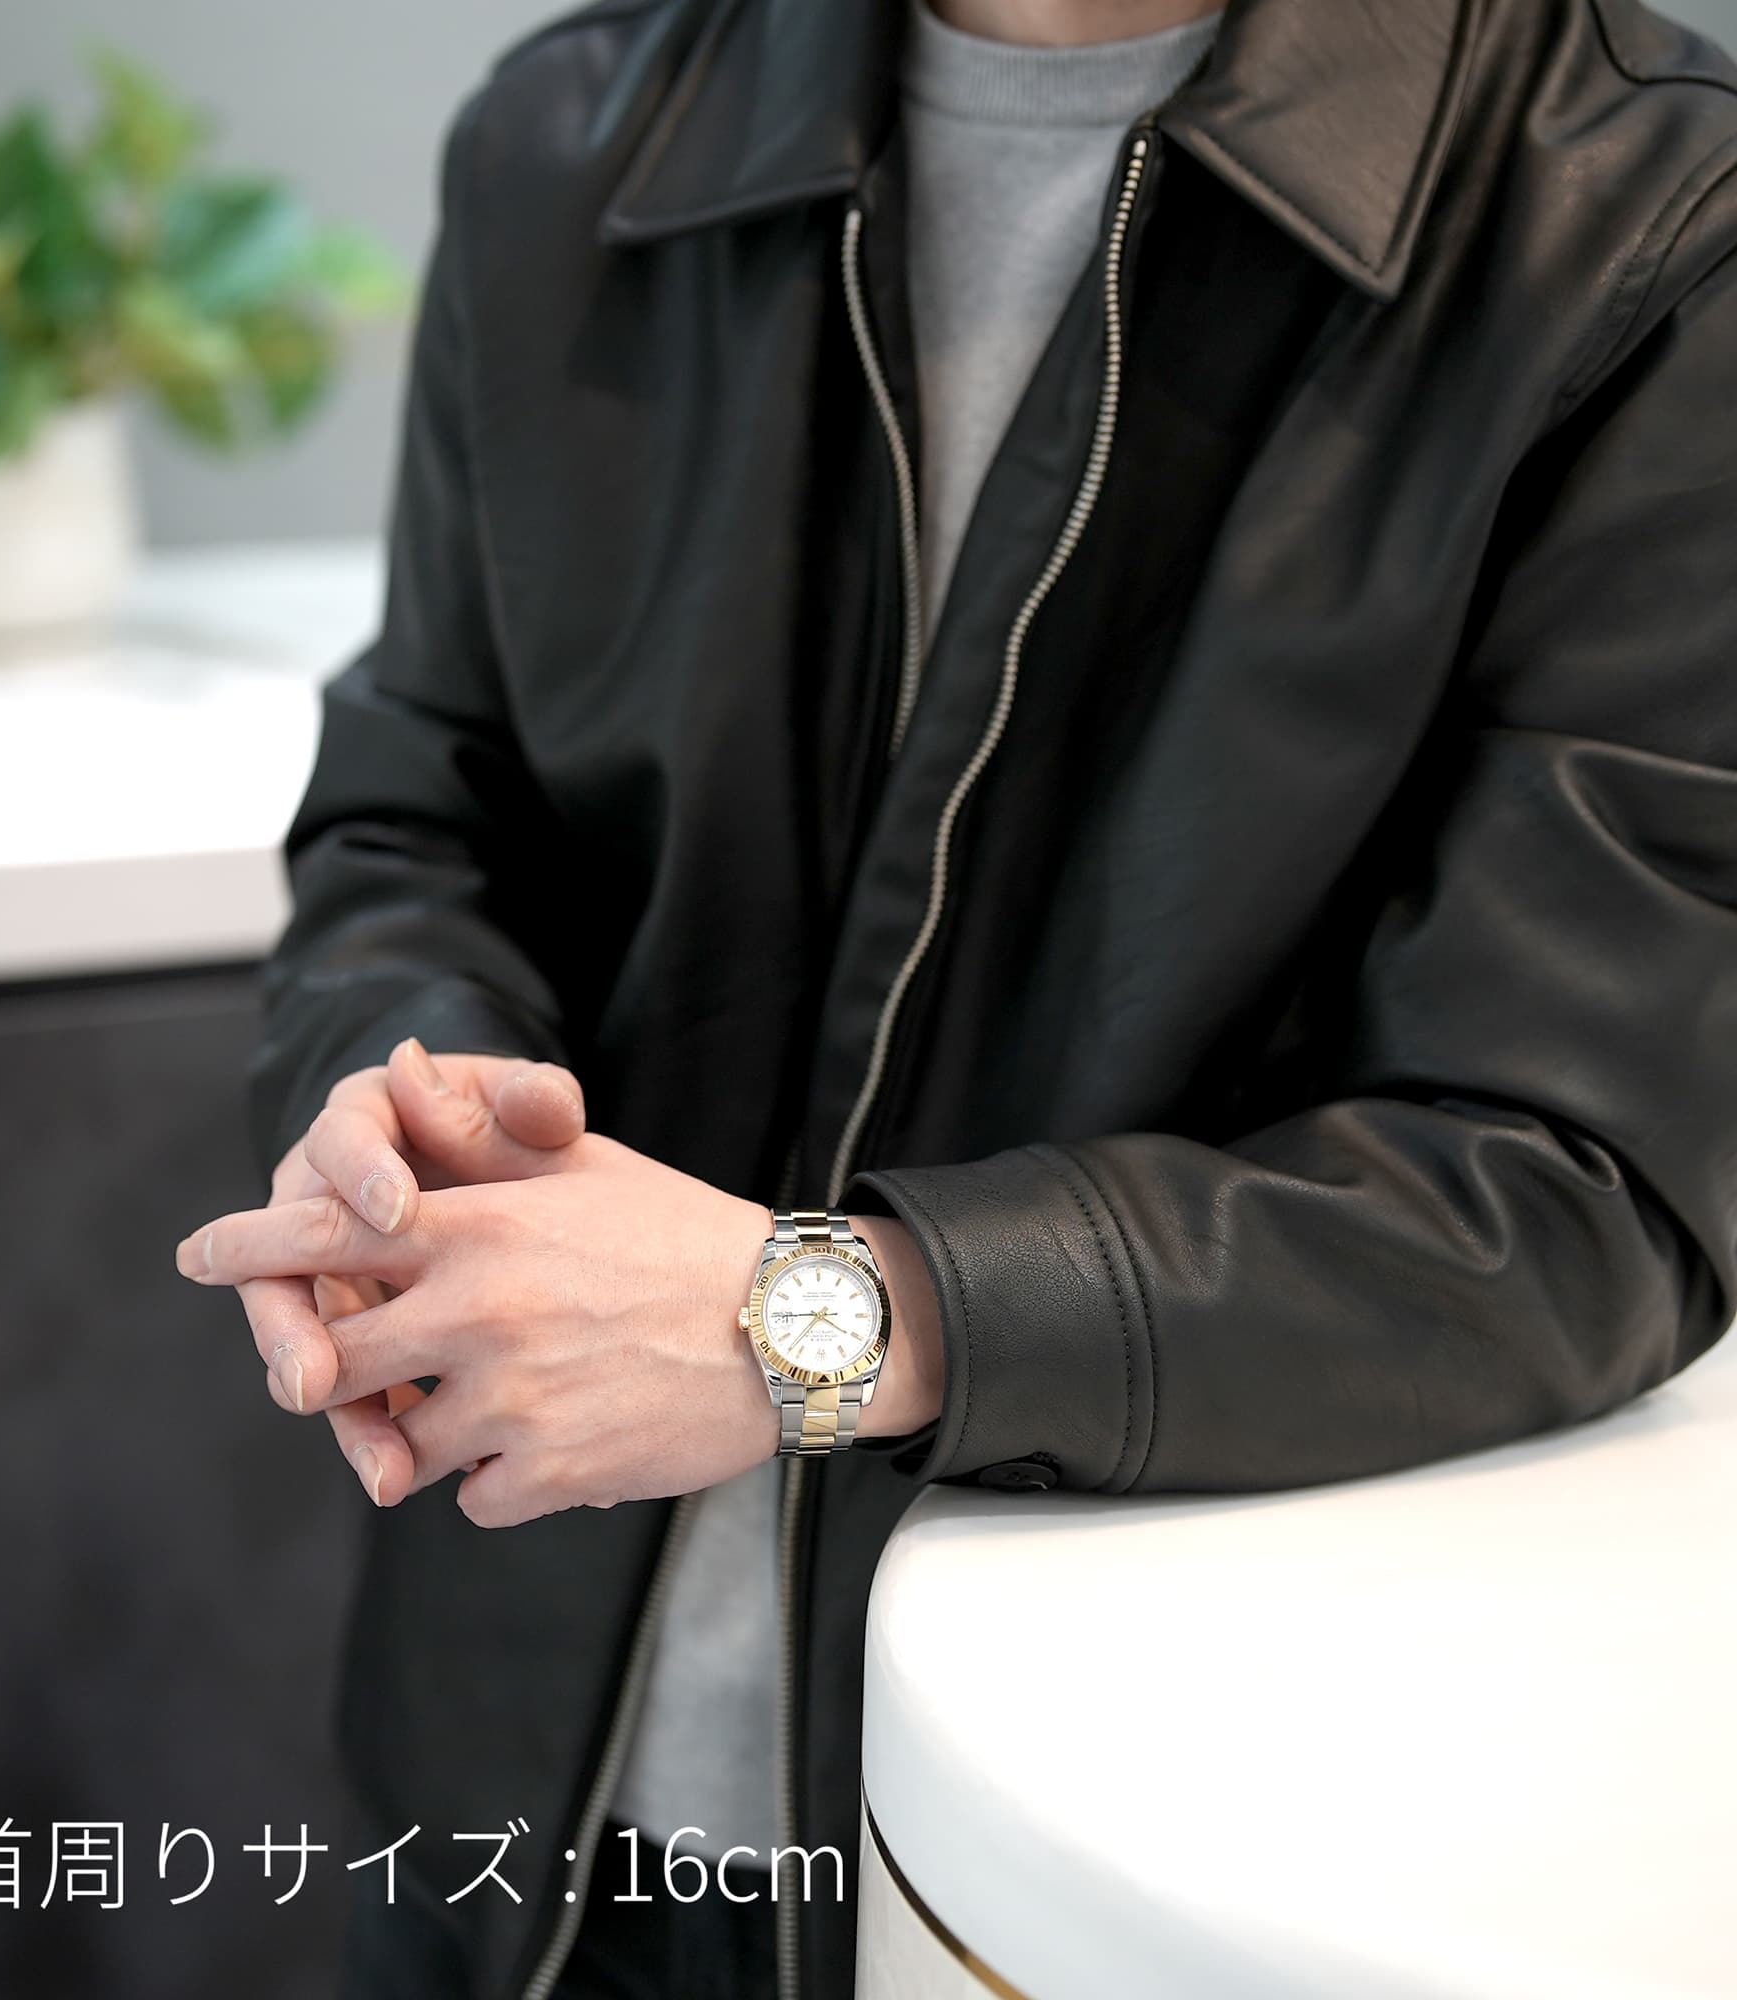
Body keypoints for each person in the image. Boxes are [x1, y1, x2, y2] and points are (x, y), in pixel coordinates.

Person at [174, 0, 1737, 1992]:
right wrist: (407, 1098)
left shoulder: (1643, 218)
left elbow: (1577, 1183)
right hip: (518, 1784)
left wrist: (822, 1317)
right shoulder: (574, 138)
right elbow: (420, 805)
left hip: (1100, 1847)